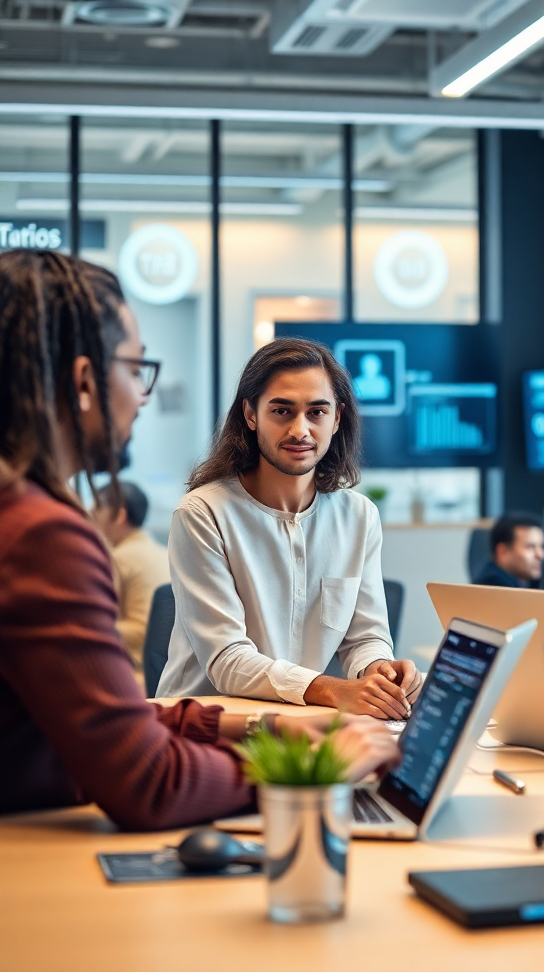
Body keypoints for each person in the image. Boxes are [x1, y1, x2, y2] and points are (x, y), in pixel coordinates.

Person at [0, 250, 398, 828]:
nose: (143, 395)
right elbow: (148, 780)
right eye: (136, 370)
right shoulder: (40, 536)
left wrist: (278, 724)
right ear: (86, 381)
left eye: (317, 411)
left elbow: (107, 719)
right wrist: (312, 764)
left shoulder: (21, 518)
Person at [157, 339, 421, 721]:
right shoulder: (203, 513)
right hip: (207, 733)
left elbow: (365, 636)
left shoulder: (359, 516)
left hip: (298, 727)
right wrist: (333, 689)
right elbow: (227, 659)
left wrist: (377, 669)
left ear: (337, 418)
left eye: (317, 412)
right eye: (282, 410)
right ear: (251, 414)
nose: (301, 430)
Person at [92, 480, 170, 669]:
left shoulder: (118, 558)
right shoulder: (162, 551)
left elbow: (141, 630)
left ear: (119, 516)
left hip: (138, 672)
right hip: (163, 668)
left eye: (96, 512)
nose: (91, 519)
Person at [474, 512, 544, 588]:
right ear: (503, 551)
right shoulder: (493, 587)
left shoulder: (530, 583)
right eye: (530, 547)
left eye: (542, 547)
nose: (540, 555)